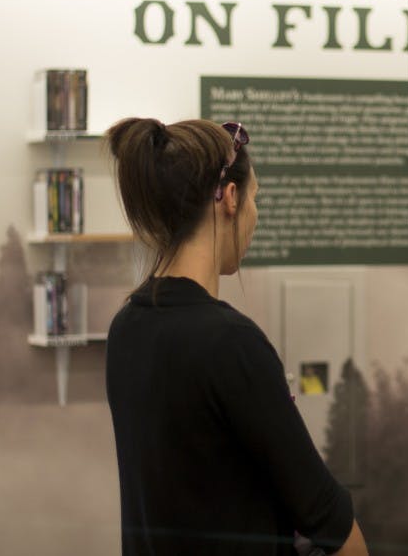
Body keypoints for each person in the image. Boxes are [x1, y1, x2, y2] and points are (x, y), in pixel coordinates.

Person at [104, 118, 369, 556]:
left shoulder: (127, 327)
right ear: (229, 199)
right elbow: (328, 518)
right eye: (255, 199)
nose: (255, 215)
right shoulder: (229, 343)